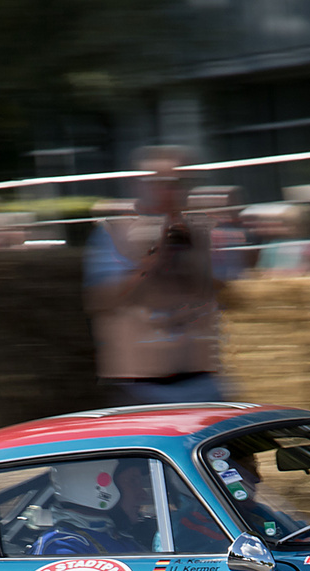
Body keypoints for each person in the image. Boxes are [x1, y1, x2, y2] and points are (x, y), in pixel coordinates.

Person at [84, 146, 231, 407]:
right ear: (140, 184)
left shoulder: (201, 231)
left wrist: (193, 256)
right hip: (143, 384)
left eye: (180, 183)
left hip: (203, 378)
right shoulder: (114, 232)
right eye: (160, 182)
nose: (171, 191)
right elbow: (100, 301)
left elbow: (228, 295)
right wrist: (151, 261)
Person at [32, 458, 157, 556]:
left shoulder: (121, 538)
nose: (143, 495)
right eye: (133, 482)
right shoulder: (61, 546)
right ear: (99, 486)